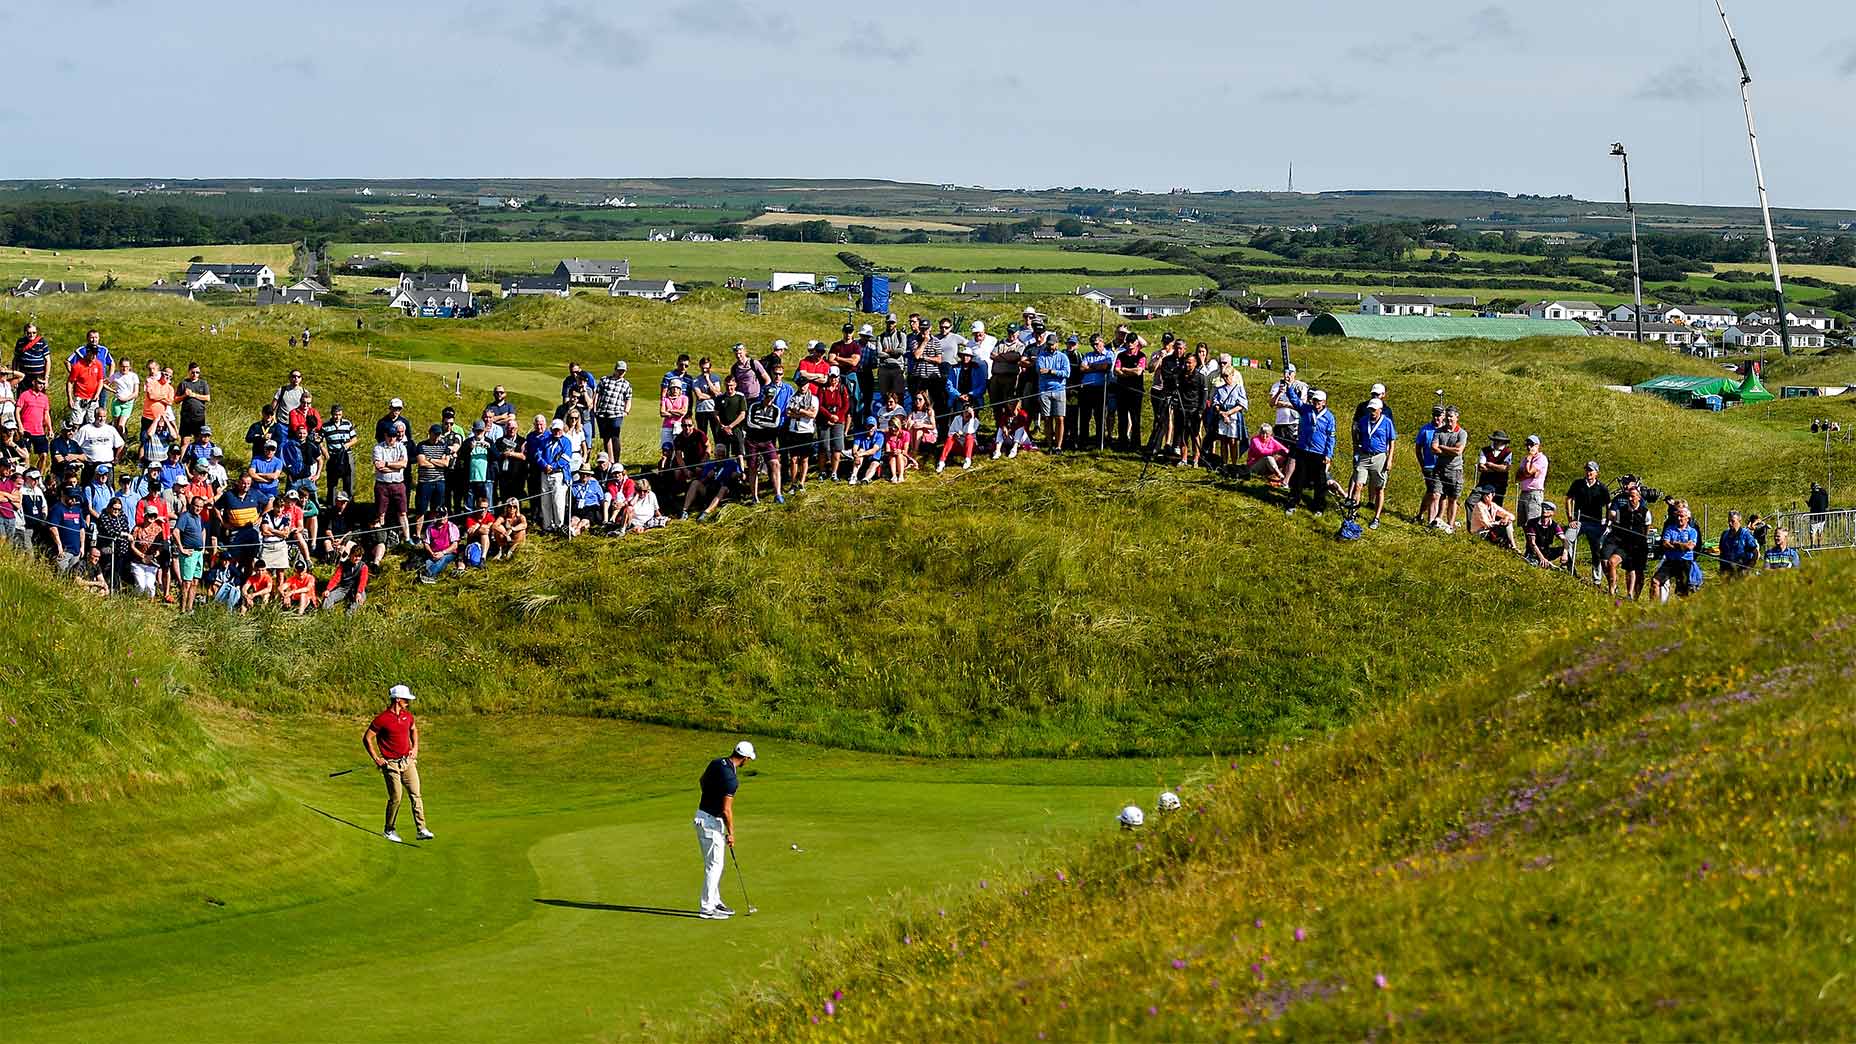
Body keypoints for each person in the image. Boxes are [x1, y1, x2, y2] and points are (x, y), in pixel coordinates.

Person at [693, 740, 756, 920]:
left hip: (703, 817)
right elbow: (727, 810)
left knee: (713, 864)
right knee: (715, 865)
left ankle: (715, 901)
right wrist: (731, 833)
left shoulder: (717, 763)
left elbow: (702, 781)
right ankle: (707, 908)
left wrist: (711, 797)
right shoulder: (731, 780)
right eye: (748, 759)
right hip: (710, 823)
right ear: (745, 758)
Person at [364, 685, 433, 844]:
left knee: (416, 794)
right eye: (406, 699)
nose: (408, 702)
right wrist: (376, 758)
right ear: (397, 700)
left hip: (407, 761)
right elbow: (367, 738)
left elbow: (413, 729)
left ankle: (421, 829)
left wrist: (415, 748)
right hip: (391, 765)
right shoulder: (382, 719)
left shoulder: (407, 716)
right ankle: (389, 830)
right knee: (396, 797)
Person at [1281, 385, 1335, 516]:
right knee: (1298, 478)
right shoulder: (1306, 409)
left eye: (1319, 401)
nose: (1316, 403)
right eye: (1315, 400)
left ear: (1324, 402)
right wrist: (1289, 387)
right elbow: (1295, 400)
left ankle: (1318, 507)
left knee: (1319, 481)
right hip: (1303, 449)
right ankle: (1292, 503)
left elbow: (1331, 437)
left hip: (1319, 452)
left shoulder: (1329, 417)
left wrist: (1328, 454)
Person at [1349, 396, 1396, 529]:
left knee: (1379, 488)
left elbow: (1392, 441)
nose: (1372, 412)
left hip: (1379, 457)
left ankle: (1376, 517)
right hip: (1364, 455)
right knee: (1358, 485)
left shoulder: (1387, 422)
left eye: (1374, 410)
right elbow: (1357, 436)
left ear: (1380, 410)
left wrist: (1389, 459)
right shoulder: (1364, 420)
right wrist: (1356, 451)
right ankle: (1353, 513)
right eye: (1370, 409)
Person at [1602, 477, 1653, 600]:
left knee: (1636, 570)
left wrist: (1642, 540)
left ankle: (1632, 596)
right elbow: (1616, 523)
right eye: (1629, 496)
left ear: (1639, 497)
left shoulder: (1645, 512)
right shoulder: (1622, 510)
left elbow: (1647, 528)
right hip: (1624, 544)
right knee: (1611, 562)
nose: (1630, 499)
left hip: (1639, 545)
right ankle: (1612, 591)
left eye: (1633, 496)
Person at [1652, 500, 1700, 603]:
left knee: (1682, 591)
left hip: (1684, 561)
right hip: (1670, 561)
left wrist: (1674, 543)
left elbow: (1690, 547)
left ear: (1687, 518)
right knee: (1655, 581)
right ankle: (1654, 607)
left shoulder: (1692, 531)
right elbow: (1665, 543)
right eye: (1677, 516)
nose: (1679, 518)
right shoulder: (1670, 528)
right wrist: (1681, 546)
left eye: (1681, 516)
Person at [1430, 406, 1468, 534]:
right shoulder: (1439, 431)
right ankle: (1433, 522)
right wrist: (1448, 450)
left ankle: (1450, 526)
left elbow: (1458, 451)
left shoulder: (1461, 433)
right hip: (1439, 469)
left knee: (1452, 499)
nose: (1449, 419)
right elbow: (1433, 448)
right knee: (1436, 495)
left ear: (1457, 417)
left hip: (1455, 470)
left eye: (1451, 416)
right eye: (1447, 416)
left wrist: (1442, 447)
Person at [372, 426, 411, 543]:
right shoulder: (378, 448)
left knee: (402, 512)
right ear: (385, 435)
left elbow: (403, 464)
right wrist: (396, 468)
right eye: (390, 436)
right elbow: (379, 467)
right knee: (381, 513)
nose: (392, 439)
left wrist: (387, 464)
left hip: (398, 484)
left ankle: (407, 538)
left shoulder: (401, 447)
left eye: (394, 436)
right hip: (382, 485)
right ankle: (381, 539)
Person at [1111, 328, 1148, 450]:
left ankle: (1135, 443)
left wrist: (1125, 370)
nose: (1130, 344)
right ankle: (1122, 442)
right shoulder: (1121, 355)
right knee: (1122, 417)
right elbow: (1116, 370)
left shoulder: (1141, 356)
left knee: (1135, 418)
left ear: (1136, 342)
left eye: (1132, 341)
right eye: (1128, 342)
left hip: (1136, 391)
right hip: (1122, 390)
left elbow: (1138, 371)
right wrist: (1129, 372)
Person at [1034, 335, 1070, 452]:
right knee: (1047, 418)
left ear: (1057, 344)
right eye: (1049, 344)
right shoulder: (1041, 357)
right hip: (1044, 390)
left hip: (1059, 390)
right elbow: (1040, 371)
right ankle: (1050, 445)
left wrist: (1051, 371)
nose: (1050, 346)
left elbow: (1066, 373)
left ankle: (1058, 446)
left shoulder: (1063, 357)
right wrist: (1056, 373)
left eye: (1052, 344)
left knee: (1060, 418)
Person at [1413, 403, 1444, 527]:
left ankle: (1424, 515)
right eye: (1435, 415)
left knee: (1435, 493)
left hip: (1443, 467)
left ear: (1443, 416)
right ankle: (1430, 521)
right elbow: (1418, 448)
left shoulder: (1446, 430)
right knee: (1434, 493)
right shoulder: (1425, 429)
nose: (1436, 418)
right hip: (1429, 466)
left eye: (1439, 415)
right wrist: (1422, 464)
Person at [595, 361, 633, 461]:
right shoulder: (605, 380)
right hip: (602, 413)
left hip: (616, 414)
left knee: (615, 436)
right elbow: (597, 394)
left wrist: (626, 411)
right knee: (605, 437)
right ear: (615, 370)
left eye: (623, 371)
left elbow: (628, 399)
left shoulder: (626, 384)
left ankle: (616, 461)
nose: (621, 373)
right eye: (619, 370)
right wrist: (595, 408)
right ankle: (609, 460)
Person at [1514, 434, 1549, 530]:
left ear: (1537, 445)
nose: (1529, 447)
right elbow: (1518, 476)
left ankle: (1535, 539)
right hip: (1523, 493)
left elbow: (1529, 472)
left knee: (1533, 523)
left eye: (1531, 444)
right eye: (1527, 445)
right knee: (1522, 522)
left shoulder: (1541, 458)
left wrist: (1529, 461)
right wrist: (1527, 473)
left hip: (1534, 493)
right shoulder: (1524, 459)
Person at [1524, 501, 1570, 568]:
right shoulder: (1532, 523)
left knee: (1567, 550)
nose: (1544, 510)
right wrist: (1542, 558)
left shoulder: (1554, 525)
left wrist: (1565, 553)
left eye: (1548, 509)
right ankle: (1546, 564)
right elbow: (1532, 543)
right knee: (1534, 565)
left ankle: (1567, 569)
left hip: (1546, 551)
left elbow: (1564, 540)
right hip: (1533, 552)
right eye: (1543, 508)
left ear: (1552, 512)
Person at [1468, 486, 1516, 550]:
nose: (1485, 497)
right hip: (1480, 532)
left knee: (1508, 522)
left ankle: (1511, 546)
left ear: (1493, 494)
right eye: (1484, 494)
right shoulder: (1479, 506)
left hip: (1490, 530)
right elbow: (1486, 524)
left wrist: (1506, 517)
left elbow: (1512, 516)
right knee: (1506, 525)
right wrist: (1500, 522)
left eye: (1488, 494)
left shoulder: (1493, 505)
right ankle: (1512, 546)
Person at [176, 362, 211, 447]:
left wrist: (194, 395)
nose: (195, 374)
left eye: (197, 372)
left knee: (199, 440)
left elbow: (207, 398)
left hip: (199, 417)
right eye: (193, 372)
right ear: (189, 372)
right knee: (185, 441)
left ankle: (196, 455)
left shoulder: (203, 383)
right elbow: (176, 400)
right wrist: (185, 395)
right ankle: (182, 455)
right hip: (186, 417)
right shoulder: (184, 383)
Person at [1476, 431, 1513, 507]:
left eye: (1499, 440)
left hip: (1500, 484)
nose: (1496, 442)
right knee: (1471, 501)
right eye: (1495, 440)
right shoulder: (1485, 450)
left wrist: (1491, 465)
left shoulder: (1508, 452)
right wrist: (1498, 469)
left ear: (1503, 441)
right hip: (1484, 482)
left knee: (1496, 506)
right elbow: (1481, 467)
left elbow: (1505, 468)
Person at [1719, 510, 1759, 576]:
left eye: (1733, 521)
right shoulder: (1724, 534)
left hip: (1742, 570)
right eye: (1729, 521)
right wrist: (1722, 569)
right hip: (1728, 571)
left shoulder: (1746, 535)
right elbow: (1722, 553)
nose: (1730, 523)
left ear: (1739, 521)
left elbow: (1755, 553)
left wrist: (1747, 569)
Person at [848, 417, 886, 485]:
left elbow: (874, 450)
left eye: (872, 426)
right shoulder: (860, 434)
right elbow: (855, 447)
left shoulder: (880, 435)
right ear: (865, 426)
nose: (870, 429)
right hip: (862, 457)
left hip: (874, 457)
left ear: (876, 426)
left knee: (874, 464)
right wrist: (856, 455)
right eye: (869, 426)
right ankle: (853, 476)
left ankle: (866, 479)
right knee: (860, 450)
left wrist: (860, 454)